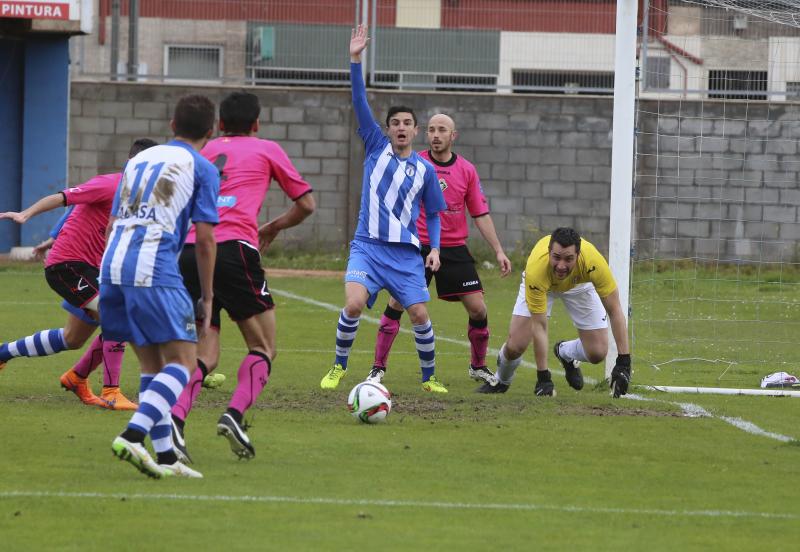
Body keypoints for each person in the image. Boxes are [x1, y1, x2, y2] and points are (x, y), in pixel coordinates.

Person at [170, 90, 316, 462]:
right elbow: (306, 204)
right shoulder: (267, 148)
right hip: (233, 249)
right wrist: (273, 227)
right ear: (256, 124)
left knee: (206, 352)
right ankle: (234, 415)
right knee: (263, 347)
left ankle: (174, 419)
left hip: (189, 251)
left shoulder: (201, 152)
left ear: (219, 125)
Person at [319, 24, 448, 393]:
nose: (401, 128)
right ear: (387, 129)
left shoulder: (424, 168)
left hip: (406, 254)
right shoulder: (376, 148)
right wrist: (355, 59)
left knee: (420, 314)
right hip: (368, 247)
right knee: (354, 304)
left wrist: (434, 248)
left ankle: (430, 378)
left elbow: (435, 213)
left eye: (407, 124)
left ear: (417, 130)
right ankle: (338, 367)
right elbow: (359, 101)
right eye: (395, 123)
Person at [103, 95, 219, 479]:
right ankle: (134, 435)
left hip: (113, 264)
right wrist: (206, 294)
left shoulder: (137, 160)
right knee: (184, 363)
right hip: (153, 266)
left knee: (152, 365)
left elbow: (113, 219)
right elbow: (204, 240)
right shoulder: (202, 168)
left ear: (171, 125)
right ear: (212, 131)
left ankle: (167, 458)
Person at [0, 139, 159, 410]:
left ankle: (58, 372)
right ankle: (111, 391)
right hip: (69, 266)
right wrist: (27, 214)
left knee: (71, 338)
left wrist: (52, 239)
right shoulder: (110, 184)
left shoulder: (139, 196)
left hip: (93, 270)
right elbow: (65, 198)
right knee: (117, 315)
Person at [367, 113, 511, 386]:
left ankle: (478, 366)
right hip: (417, 247)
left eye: (442, 130)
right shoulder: (414, 163)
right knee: (398, 302)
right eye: (431, 129)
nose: (435, 135)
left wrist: (499, 251)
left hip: (454, 248)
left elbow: (480, 213)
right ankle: (377, 368)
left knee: (478, 310)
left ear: (453, 136)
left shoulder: (466, 170)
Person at [477, 227, 632, 398]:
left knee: (597, 352)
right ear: (549, 252)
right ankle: (501, 380)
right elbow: (540, 326)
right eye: (556, 257)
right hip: (543, 285)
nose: (561, 265)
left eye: (569, 259)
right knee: (516, 346)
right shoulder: (536, 269)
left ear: (579, 255)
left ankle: (564, 352)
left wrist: (624, 362)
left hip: (579, 285)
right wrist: (543, 377)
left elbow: (615, 309)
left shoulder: (593, 262)